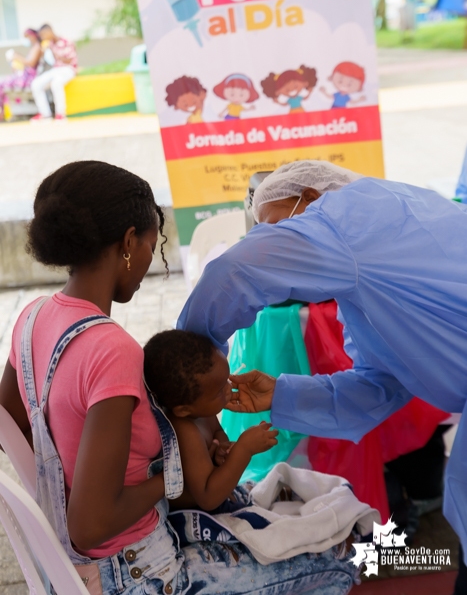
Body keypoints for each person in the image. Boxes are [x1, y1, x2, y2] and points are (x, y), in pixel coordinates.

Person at [0, 160, 357, 595]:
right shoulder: (111, 350)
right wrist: (173, 476)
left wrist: (79, 462)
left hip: (75, 568)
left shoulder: (32, 317)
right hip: (137, 574)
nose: (156, 255)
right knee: (340, 563)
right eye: (156, 243)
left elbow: (11, 425)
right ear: (129, 242)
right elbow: (90, 526)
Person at [177, 159, 467, 568]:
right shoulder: (375, 252)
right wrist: (281, 394)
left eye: (274, 228)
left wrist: (184, 370)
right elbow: (378, 386)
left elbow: (235, 272)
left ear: (310, 199)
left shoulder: (347, 217)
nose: (273, 242)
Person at [143, 329, 277, 513]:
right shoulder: (185, 431)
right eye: (219, 391)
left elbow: (217, 433)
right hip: (196, 510)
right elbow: (207, 497)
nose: (229, 389)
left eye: (226, 382)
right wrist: (244, 450)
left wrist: (223, 449)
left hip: (217, 496)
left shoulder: (201, 411)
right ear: (183, 410)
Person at [30, 24, 77, 121]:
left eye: (43, 35)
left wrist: (55, 53)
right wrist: (45, 51)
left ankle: (60, 114)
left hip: (68, 69)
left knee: (56, 83)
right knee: (36, 84)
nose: (43, 38)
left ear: (50, 31)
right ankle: (45, 114)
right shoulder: (50, 44)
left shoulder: (66, 41)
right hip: (56, 70)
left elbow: (70, 61)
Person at [0, 29, 42, 121]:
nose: (26, 39)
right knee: (3, 82)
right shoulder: (33, 47)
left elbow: (31, 63)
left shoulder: (37, 47)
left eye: (26, 37)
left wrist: (17, 57)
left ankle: (2, 112)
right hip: (25, 75)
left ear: (32, 36)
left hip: (29, 78)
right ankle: (3, 111)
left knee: (2, 84)